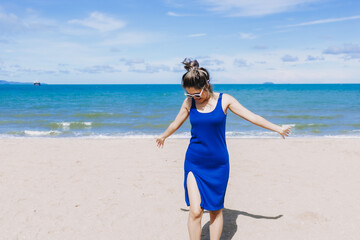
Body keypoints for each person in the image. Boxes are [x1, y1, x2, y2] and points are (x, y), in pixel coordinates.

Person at [155, 58, 291, 240]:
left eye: (197, 94)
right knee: (195, 211)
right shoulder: (189, 103)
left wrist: (278, 128)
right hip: (194, 162)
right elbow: (175, 123)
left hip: (218, 164)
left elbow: (252, 117)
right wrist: (163, 136)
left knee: (215, 211)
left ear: (207, 85)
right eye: (189, 95)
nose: (194, 98)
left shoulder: (224, 100)